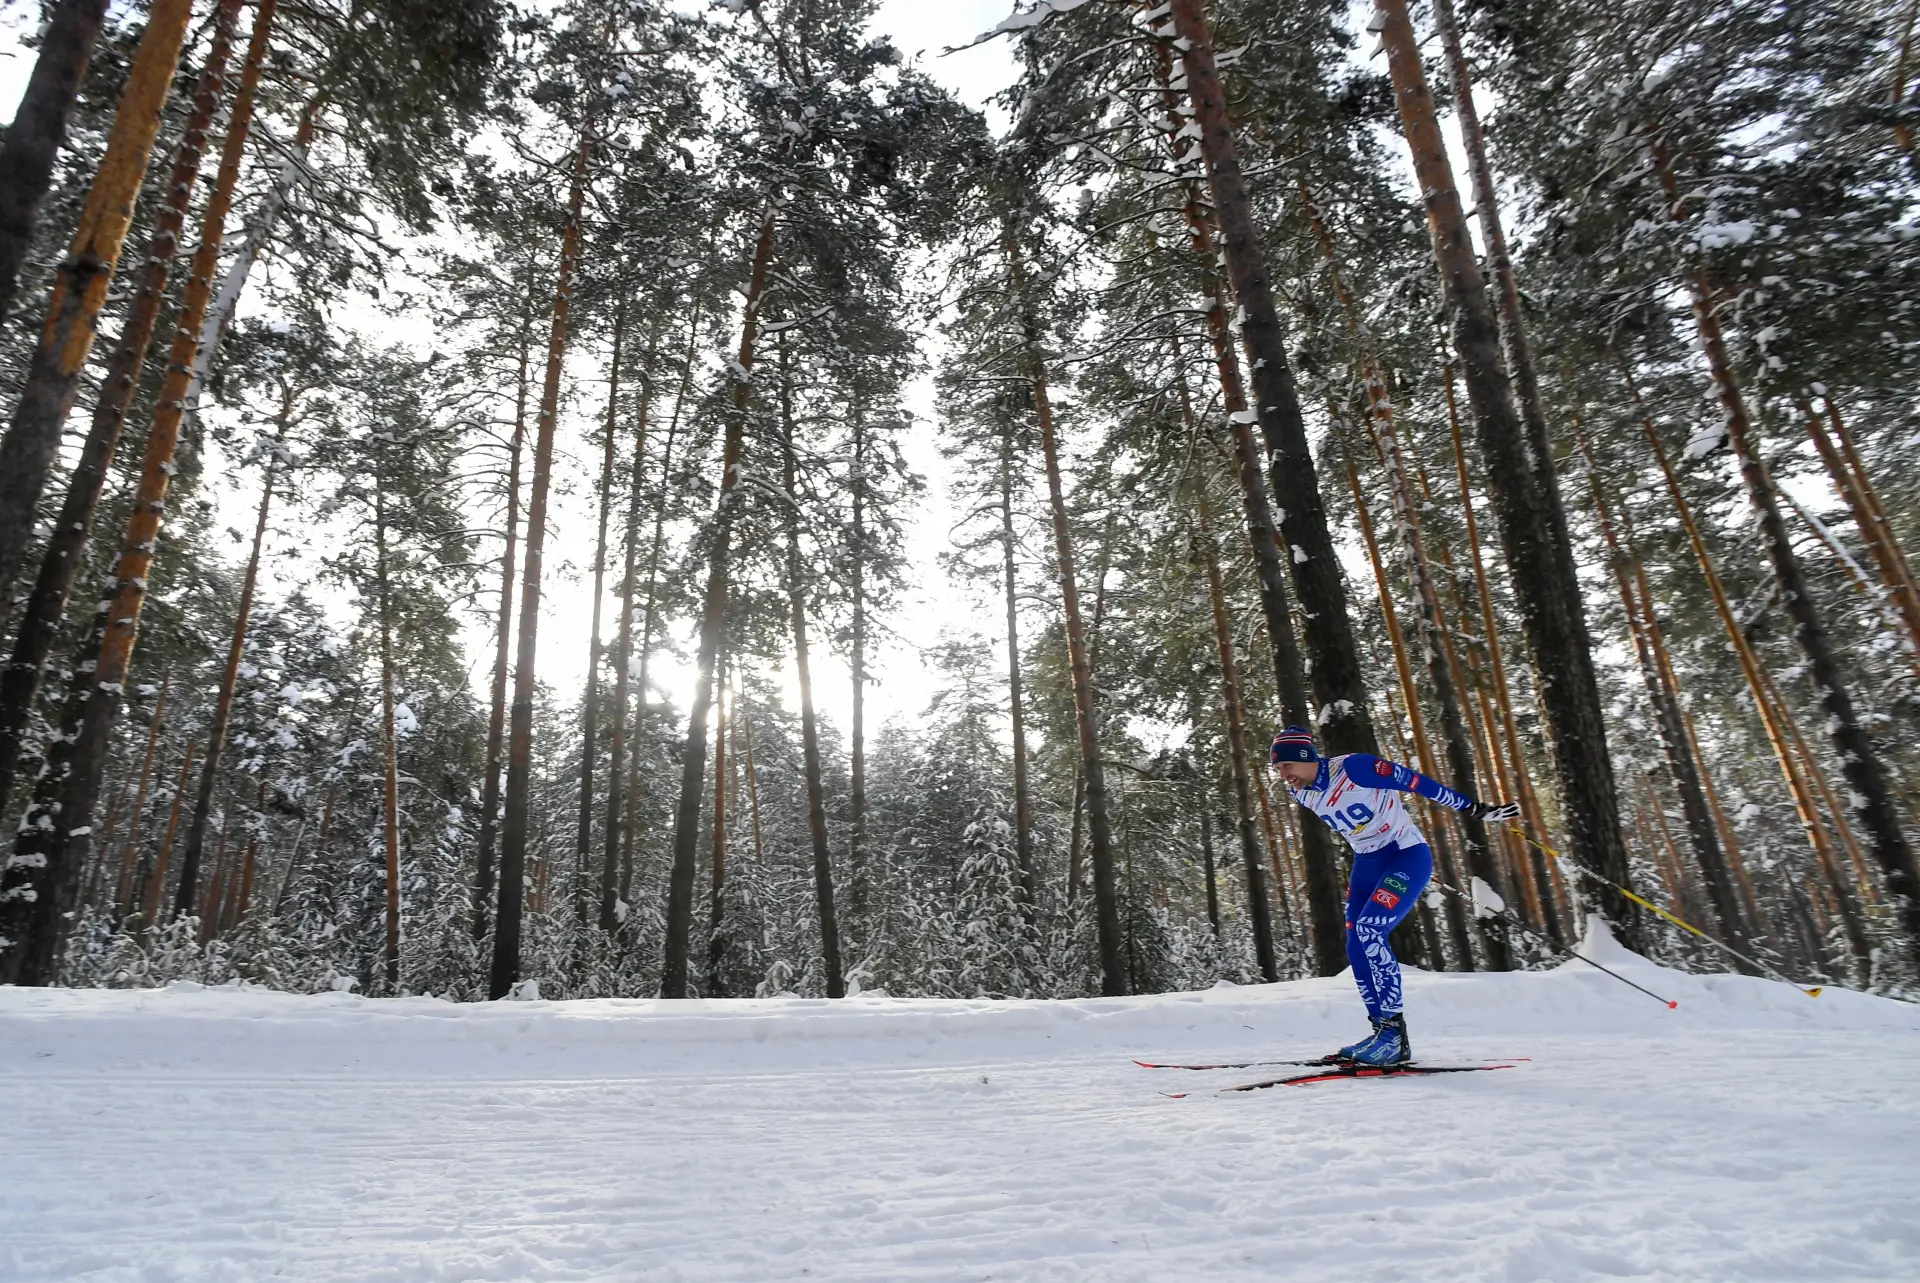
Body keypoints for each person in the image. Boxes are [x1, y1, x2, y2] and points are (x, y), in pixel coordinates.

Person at [1268, 725, 1519, 1067]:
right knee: (1356, 943)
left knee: (1371, 930)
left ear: (1305, 758)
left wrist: (1474, 808)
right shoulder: (1303, 793)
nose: (1283, 775)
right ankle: (1381, 1032)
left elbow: (1416, 783)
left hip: (1406, 856)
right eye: (1277, 768)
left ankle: (1393, 1037)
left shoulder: (1356, 768)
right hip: (1368, 864)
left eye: (1286, 766)